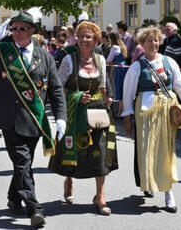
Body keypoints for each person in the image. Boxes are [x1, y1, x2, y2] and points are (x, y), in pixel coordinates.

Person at [0, 8, 66, 228]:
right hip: (8, 117)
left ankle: (14, 197)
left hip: (33, 117)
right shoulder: (2, 51)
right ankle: (35, 209)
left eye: (23, 28)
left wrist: (60, 117)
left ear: (32, 30)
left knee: (24, 163)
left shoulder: (45, 56)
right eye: (14, 28)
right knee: (22, 163)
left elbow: (56, 89)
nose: (17, 32)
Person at [122, 26, 181, 213]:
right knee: (146, 149)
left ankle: (168, 191)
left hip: (167, 109)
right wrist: (127, 115)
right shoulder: (136, 66)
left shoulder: (169, 62)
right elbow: (128, 92)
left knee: (166, 150)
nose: (154, 43)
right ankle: (148, 183)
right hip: (146, 110)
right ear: (142, 44)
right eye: (149, 40)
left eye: (156, 40)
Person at [48, 21, 117, 216]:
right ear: (76, 39)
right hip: (75, 112)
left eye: (89, 37)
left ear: (96, 40)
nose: (85, 40)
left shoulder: (100, 60)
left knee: (101, 154)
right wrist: (76, 97)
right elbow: (58, 88)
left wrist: (108, 96)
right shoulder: (69, 60)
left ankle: (100, 196)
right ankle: (69, 181)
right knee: (76, 153)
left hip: (98, 112)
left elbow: (103, 84)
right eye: (81, 36)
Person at [107, 32, 128, 118]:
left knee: (119, 89)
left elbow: (108, 60)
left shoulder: (115, 47)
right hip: (123, 68)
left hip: (118, 70)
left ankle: (120, 112)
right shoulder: (122, 46)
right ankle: (121, 111)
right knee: (123, 89)